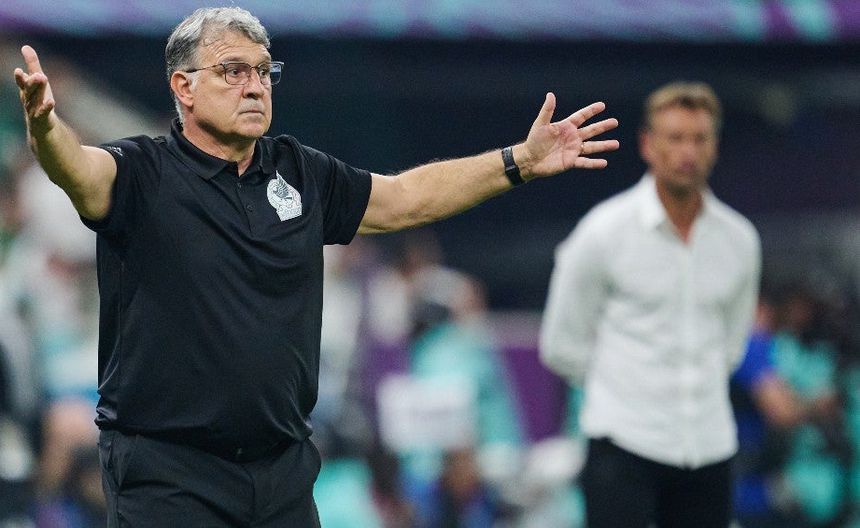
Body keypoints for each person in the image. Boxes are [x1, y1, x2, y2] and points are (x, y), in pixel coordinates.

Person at [13, 6, 618, 526]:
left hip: (283, 468)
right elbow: (78, 170)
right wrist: (45, 128)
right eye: (233, 71)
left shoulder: (299, 172)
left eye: (263, 71)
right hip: (169, 471)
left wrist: (518, 161)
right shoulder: (142, 173)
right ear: (184, 87)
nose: (255, 86)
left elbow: (406, 198)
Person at [539, 81, 761, 528]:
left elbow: (732, 343)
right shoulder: (603, 232)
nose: (688, 152)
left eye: (699, 139)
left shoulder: (740, 240)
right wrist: (623, 391)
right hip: (623, 446)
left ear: (715, 146)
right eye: (675, 138)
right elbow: (562, 344)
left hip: (709, 447)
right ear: (647, 144)